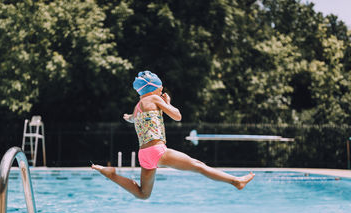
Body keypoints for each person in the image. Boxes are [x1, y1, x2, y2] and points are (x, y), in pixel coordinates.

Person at [92, 70, 254, 199]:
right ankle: (236, 181)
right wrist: (167, 103)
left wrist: (128, 117)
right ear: (152, 87)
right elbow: (177, 116)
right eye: (159, 86)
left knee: (143, 194)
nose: (161, 89)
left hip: (144, 154)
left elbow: (132, 119)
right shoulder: (154, 98)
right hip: (157, 150)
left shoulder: (138, 106)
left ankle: (112, 175)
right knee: (199, 166)